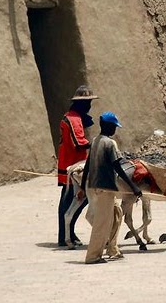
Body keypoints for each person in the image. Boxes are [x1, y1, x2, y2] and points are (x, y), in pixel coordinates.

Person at [77, 111, 142, 264]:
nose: (115, 129)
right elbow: (117, 167)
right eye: (114, 126)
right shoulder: (109, 143)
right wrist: (133, 187)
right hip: (105, 188)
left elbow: (87, 166)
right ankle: (93, 256)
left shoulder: (95, 141)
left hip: (95, 186)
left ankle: (112, 248)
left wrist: (82, 187)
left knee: (117, 214)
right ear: (108, 126)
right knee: (102, 223)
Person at [56, 85, 97, 247]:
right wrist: (96, 145)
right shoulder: (73, 120)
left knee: (72, 201)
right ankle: (64, 235)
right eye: (87, 102)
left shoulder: (73, 117)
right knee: (74, 200)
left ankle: (69, 232)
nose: (89, 105)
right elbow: (78, 143)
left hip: (70, 162)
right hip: (72, 165)